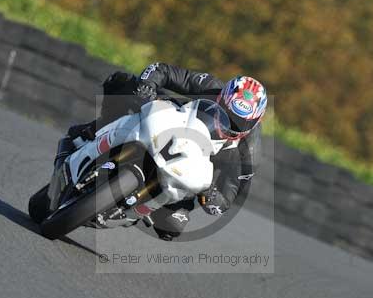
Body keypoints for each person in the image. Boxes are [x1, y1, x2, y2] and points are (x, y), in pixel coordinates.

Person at [56, 62, 267, 241]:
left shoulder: (249, 153)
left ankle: (138, 208)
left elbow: (230, 197)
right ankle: (91, 132)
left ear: (254, 122)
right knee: (122, 83)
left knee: (171, 227)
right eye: (226, 113)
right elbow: (162, 70)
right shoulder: (210, 87)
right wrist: (148, 85)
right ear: (221, 97)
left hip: (193, 170)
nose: (229, 123)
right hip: (177, 124)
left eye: (238, 123)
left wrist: (211, 196)